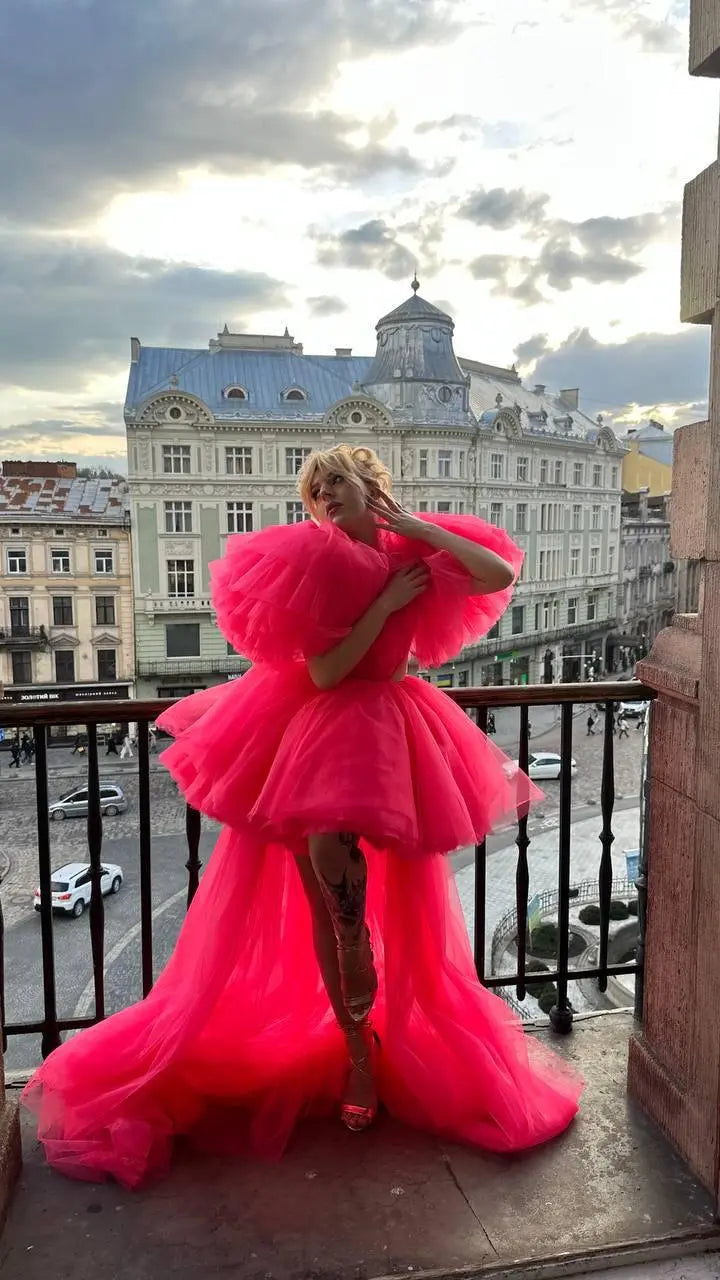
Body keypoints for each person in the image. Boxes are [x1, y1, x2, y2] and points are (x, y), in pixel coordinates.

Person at [22, 444, 582, 1189]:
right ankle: (359, 1060)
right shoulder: (314, 559)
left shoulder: (411, 543)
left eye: (335, 481)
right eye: (313, 488)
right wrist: (384, 602)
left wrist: (412, 526)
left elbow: (498, 574)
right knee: (337, 910)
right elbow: (322, 672)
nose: (321, 494)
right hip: (312, 736)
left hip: (393, 731)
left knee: (387, 908)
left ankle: (378, 1042)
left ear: (370, 488)